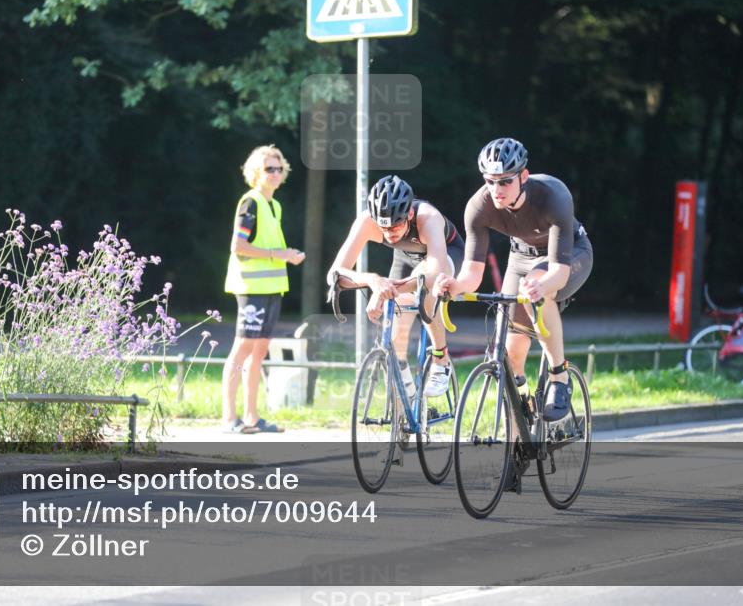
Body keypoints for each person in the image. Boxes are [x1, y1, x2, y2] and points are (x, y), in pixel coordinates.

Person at [434, 137, 592, 423]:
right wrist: (455, 285)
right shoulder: (478, 207)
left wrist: (541, 286)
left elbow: (558, 272)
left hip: (569, 255)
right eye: (490, 181)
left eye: (505, 181)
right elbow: (472, 272)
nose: (497, 190)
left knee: (535, 288)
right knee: (510, 354)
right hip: (520, 257)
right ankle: (523, 414)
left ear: (523, 176)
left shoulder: (553, 196)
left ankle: (559, 376)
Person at [327, 175, 464, 398]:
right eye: (383, 227)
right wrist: (372, 281)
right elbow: (335, 274)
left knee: (423, 288)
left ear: (409, 214)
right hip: (405, 258)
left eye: (395, 225)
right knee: (394, 340)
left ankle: (441, 358)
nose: (390, 232)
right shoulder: (367, 221)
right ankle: (408, 400)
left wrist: (384, 293)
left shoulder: (428, 217)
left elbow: (434, 275)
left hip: (445, 256)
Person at [222, 144, 305, 434]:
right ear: (256, 172)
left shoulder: (274, 205)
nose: (276, 173)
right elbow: (238, 246)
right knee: (242, 350)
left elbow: (268, 247)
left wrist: (287, 256)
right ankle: (229, 419)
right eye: (270, 168)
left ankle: (252, 418)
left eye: (279, 168)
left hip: (272, 289)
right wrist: (278, 254)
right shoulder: (251, 202)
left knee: (258, 353)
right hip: (251, 288)